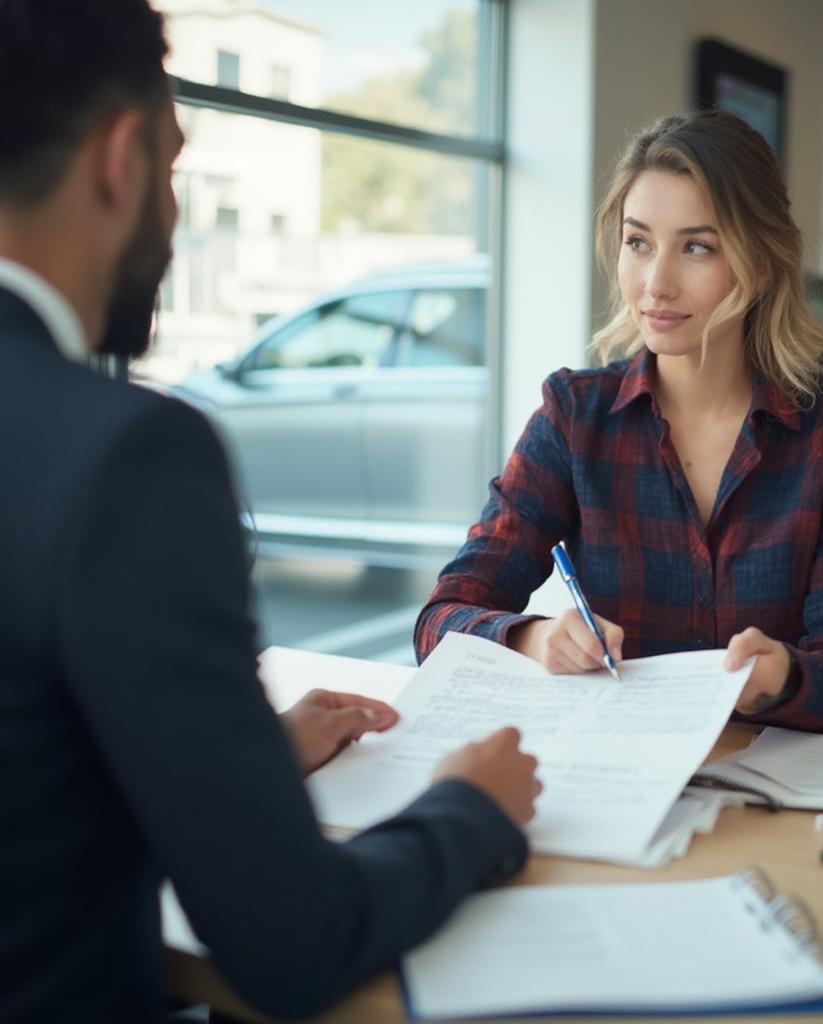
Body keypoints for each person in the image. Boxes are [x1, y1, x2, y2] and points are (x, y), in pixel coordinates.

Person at [0, 2, 541, 1021]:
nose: (170, 209)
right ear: (122, 159)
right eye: (172, 169)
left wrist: (233, 760)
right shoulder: (126, 454)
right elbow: (294, 941)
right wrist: (471, 807)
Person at [415, 109, 823, 734]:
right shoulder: (574, 417)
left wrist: (781, 677)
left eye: (697, 247)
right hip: (616, 776)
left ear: (763, 259)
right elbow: (440, 621)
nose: (655, 284)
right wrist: (534, 639)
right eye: (638, 243)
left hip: (765, 788)